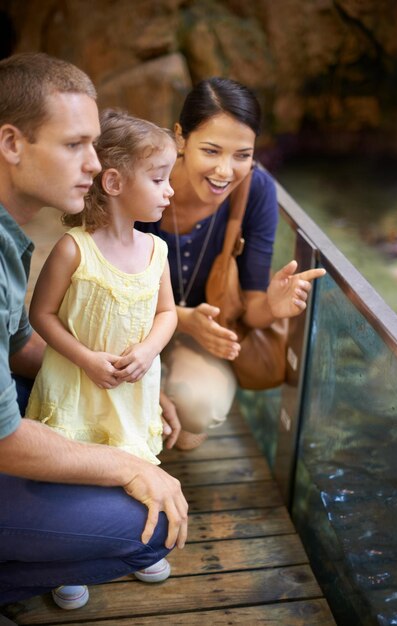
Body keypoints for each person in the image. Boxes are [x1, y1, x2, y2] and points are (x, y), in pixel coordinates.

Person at [0, 52, 187, 612]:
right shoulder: (63, 249)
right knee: (150, 524)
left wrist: (144, 387)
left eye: (95, 143)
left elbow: (18, 349)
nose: (92, 161)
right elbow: (4, 440)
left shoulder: (13, 238)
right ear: (12, 144)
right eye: (74, 144)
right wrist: (132, 469)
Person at [136, 77, 326, 450]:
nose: (226, 171)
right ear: (180, 138)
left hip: (206, 334)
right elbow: (103, 284)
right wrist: (181, 319)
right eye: (211, 151)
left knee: (196, 415)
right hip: (127, 330)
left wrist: (272, 305)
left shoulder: (256, 190)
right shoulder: (143, 178)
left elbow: (251, 311)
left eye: (242, 155)